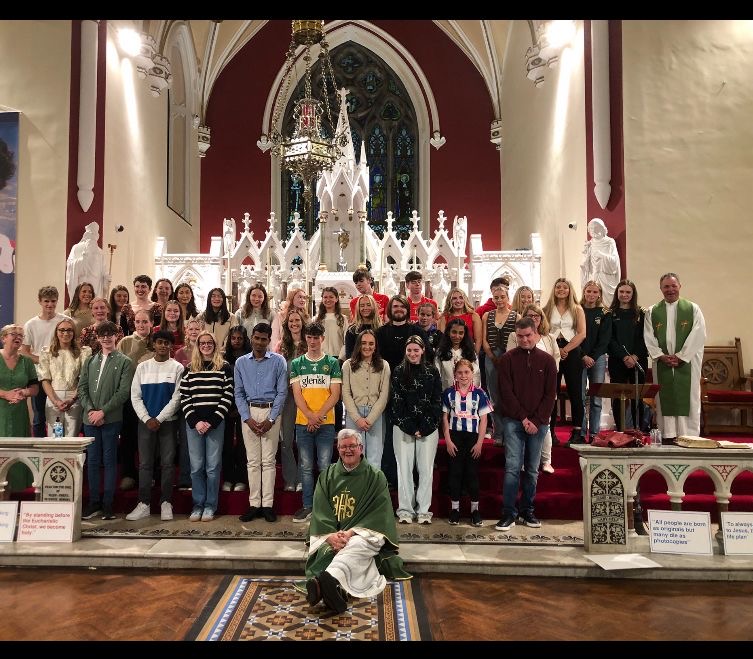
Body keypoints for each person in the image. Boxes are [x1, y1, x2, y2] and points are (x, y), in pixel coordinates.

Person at [301, 429, 411, 615]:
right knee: (352, 553)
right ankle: (332, 587)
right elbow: (320, 510)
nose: (348, 450)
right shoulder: (327, 476)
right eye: (343, 447)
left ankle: (325, 581)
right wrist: (330, 536)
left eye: (352, 446)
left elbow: (380, 515)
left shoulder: (375, 477)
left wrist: (351, 533)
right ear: (338, 449)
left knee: (358, 544)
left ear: (361, 448)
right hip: (334, 534)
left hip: (363, 533)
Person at [495, 317, 557, 532]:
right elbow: (505, 393)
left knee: (532, 469)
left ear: (536, 333)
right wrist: (523, 418)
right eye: (520, 336)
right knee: (512, 468)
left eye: (528, 335)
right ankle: (508, 513)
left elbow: (550, 395)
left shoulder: (547, 361)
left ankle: (527, 511)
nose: (524, 340)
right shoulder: (507, 359)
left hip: (538, 424)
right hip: (514, 421)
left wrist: (537, 421)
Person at [78, 321, 135, 520]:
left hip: (111, 419)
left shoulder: (125, 362)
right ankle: (94, 502)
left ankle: (108, 503)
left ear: (116, 336)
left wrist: (102, 412)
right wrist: (91, 410)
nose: (106, 338)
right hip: (90, 419)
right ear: (97, 337)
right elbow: (82, 388)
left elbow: (123, 392)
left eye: (110, 334)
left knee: (110, 461)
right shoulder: (90, 361)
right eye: (102, 335)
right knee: (93, 461)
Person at [126, 330, 184, 522]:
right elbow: (135, 396)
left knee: (167, 464)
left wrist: (159, 418)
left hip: (168, 422)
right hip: (146, 423)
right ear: (153, 344)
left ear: (171, 346)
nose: (163, 346)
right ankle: (144, 503)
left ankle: (166, 502)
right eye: (159, 342)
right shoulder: (142, 367)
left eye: (166, 343)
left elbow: (177, 398)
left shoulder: (177, 368)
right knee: (145, 464)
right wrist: (146, 418)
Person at [376, 295, 432, 488]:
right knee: (391, 436)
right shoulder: (380, 333)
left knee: (414, 436)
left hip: (415, 393)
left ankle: (414, 478)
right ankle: (391, 476)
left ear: (408, 309)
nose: (398, 309)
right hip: (389, 391)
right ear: (390, 309)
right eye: (395, 306)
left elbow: (427, 359)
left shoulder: (417, 331)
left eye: (402, 306)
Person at [234, 322, 288, 523]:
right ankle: (254, 504)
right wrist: (246, 418)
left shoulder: (278, 361)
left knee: (268, 461)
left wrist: (271, 419)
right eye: (256, 338)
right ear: (251, 338)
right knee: (253, 461)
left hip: (271, 411)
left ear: (269, 340)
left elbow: (282, 392)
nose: (259, 342)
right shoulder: (241, 363)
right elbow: (238, 392)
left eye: (263, 339)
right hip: (249, 412)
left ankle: (267, 505)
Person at [289, 321, 342, 523]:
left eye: (316, 338)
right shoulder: (297, 364)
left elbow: (335, 395)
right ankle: (307, 506)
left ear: (322, 339)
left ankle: (324, 506)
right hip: (303, 422)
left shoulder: (332, 363)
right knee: (305, 466)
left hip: (325, 423)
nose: (312, 341)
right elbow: (297, 395)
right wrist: (310, 416)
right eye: (309, 337)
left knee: (325, 466)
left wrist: (317, 416)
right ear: (305, 338)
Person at [644, 273, 706, 440]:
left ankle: (688, 434)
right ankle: (668, 433)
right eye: (666, 286)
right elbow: (648, 336)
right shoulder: (652, 311)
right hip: (662, 362)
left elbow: (699, 334)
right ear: (661, 288)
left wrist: (681, 356)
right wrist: (660, 355)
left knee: (689, 395)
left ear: (680, 286)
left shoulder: (692, 309)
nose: (670, 289)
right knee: (665, 395)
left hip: (687, 362)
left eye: (673, 286)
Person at [180, 330, 234, 522]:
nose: (205, 345)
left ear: (214, 344)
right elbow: (184, 396)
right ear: (198, 345)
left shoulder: (224, 367)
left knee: (212, 467)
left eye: (209, 342)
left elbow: (227, 395)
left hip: (215, 424)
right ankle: (197, 505)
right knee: (196, 467)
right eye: (202, 343)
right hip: (194, 425)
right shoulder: (189, 369)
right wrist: (196, 422)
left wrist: (212, 421)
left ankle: (210, 506)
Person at [391, 335, 442, 525]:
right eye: (409, 350)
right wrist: (411, 428)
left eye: (416, 350)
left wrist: (424, 427)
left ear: (423, 350)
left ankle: (423, 511)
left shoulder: (432, 371)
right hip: (403, 427)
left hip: (428, 428)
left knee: (426, 469)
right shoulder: (398, 371)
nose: (412, 354)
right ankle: (405, 510)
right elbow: (397, 402)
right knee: (404, 469)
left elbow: (437, 401)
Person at [509, 304, 561, 473]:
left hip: (544, 388)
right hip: (522, 389)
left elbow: (555, 359)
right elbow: (511, 358)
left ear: (541, 318)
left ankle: (546, 461)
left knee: (544, 424)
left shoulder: (549, 338)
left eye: (536, 316)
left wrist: (549, 376)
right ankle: (525, 461)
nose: (533, 318)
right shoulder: (514, 336)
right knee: (522, 427)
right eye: (529, 315)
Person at [442, 358, 492, 526]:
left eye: (466, 372)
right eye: (460, 373)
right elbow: (444, 418)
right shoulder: (449, 393)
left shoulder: (480, 393)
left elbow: (484, 420)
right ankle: (455, 509)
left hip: (473, 438)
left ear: (472, 373)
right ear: (455, 375)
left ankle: (475, 510)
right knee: (455, 473)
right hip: (455, 437)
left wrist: (479, 443)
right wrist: (448, 440)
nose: (463, 376)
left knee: (472, 474)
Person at [20, 285, 70, 436]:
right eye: (46, 301)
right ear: (40, 301)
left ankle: (60, 444)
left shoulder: (65, 321)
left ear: (57, 301)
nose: (50, 304)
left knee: (61, 413)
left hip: (62, 375)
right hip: (39, 375)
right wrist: (44, 361)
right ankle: (40, 447)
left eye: (53, 301)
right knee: (39, 416)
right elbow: (24, 352)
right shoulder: (31, 324)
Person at [543, 278, 587, 445]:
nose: (561, 289)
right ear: (554, 290)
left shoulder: (577, 309)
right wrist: (556, 349)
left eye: (565, 287)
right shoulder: (547, 309)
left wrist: (566, 349)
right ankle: (550, 432)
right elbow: (543, 330)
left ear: (570, 290)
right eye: (558, 287)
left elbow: (582, 333)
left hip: (572, 350)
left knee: (575, 391)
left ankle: (577, 432)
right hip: (551, 350)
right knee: (551, 392)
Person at [116, 308, 155, 490]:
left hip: (150, 397)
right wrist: (135, 351)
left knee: (150, 439)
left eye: (145, 321)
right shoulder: (125, 342)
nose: (141, 325)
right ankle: (129, 474)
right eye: (138, 322)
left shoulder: (155, 342)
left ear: (151, 323)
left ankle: (150, 474)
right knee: (129, 437)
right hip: (130, 397)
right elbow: (119, 367)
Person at [342, 329, 390, 470]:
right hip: (354, 414)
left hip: (375, 415)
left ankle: (372, 484)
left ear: (375, 346)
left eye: (371, 343)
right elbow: (345, 393)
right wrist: (357, 418)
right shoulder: (348, 365)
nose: (367, 347)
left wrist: (370, 419)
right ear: (358, 345)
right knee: (354, 457)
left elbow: (384, 395)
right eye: (363, 343)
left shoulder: (384, 365)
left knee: (375, 459)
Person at [0, 324, 39, 491]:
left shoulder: (27, 362)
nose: (18, 337)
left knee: (15, 455)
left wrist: (24, 392)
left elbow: (35, 388)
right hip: (1, 414)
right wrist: (5, 394)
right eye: (13, 334)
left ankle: (8, 500)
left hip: (19, 416)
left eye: (21, 335)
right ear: (3, 338)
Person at [38, 318, 91, 437]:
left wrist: (73, 399)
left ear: (74, 332)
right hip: (53, 396)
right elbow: (45, 380)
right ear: (56, 332)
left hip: (74, 397)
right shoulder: (47, 352)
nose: (65, 333)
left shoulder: (83, 352)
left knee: (72, 437)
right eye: (62, 330)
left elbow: (83, 379)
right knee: (54, 437)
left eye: (69, 330)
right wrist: (56, 401)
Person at [608, 279, 649, 431]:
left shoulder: (641, 313)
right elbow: (609, 338)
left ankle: (638, 430)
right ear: (617, 293)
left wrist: (635, 356)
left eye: (628, 292)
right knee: (618, 397)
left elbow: (646, 337)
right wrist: (624, 356)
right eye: (622, 291)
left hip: (638, 360)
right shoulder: (610, 314)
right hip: (618, 361)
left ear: (633, 294)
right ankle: (620, 430)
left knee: (637, 397)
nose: (624, 295)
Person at [481, 284, 519, 444]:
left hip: (510, 357)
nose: (499, 300)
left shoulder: (516, 316)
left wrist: (506, 358)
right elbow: (484, 340)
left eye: (502, 297)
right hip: (491, 358)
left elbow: (517, 340)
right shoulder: (487, 316)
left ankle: (509, 433)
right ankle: (498, 432)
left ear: (508, 298)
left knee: (509, 394)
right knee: (494, 396)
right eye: (496, 297)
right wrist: (492, 357)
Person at [274, 308, 306, 492]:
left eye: (297, 320)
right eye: (291, 321)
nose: (294, 324)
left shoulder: (309, 343)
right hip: (286, 397)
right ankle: (290, 479)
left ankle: (302, 478)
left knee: (302, 440)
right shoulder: (281, 346)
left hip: (305, 397)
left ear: (302, 322)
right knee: (286, 440)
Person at [579, 280, 612, 441]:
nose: (591, 294)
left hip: (597, 358)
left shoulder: (605, 313)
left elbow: (605, 339)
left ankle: (594, 433)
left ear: (599, 294)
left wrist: (592, 356)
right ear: (584, 292)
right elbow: (573, 334)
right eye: (589, 291)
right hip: (579, 357)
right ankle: (580, 432)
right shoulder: (577, 309)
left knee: (596, 397)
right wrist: (583, 355)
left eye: (594, 292)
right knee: (580, 396)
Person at [220, 326, 251, 493]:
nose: (237, 341)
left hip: (244, 407)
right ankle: (228, 478)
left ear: (245, 339)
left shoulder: (250, 357)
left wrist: (241, 407)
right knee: (226, 445)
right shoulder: (222, 359)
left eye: (240, 338)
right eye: (233, 338)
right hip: (225, 406)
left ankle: (241, 479)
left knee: (242, 445)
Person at [580, 218, 621, 306]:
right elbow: (585, 264)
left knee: (608, 305)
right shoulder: (590, 243)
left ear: (602, 229)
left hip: (606, 277)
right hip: (593, 277)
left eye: (596, 228)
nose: (593, 230)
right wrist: (585, 257)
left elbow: (614, 262)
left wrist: (601, 255)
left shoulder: (609, 242)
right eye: (591, 228)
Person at [66, 221, 109, 299]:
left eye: (95, 234)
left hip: (96, 286)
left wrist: (106, 278)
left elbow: (104, 272)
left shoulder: (100, 252)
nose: (93, 237)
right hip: (81, 283)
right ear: (86, 235)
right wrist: (81, 262)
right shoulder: (76, 248)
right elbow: (70, 265)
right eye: (91, 234)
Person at [435, 318, 480, 391]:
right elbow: (437, 375)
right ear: (448, 332)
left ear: (464, 334)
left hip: (467, 393)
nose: (457, 336)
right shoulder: (441, 352)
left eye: (461, 333)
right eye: (454, 332)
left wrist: (471, 392)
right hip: (446, 392)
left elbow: (476, 374)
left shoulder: (470, 352)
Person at [438, 288, 482, 354]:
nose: (458, 301)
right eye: (454, 298)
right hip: (449, 352)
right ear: (449, 301)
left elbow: (478, 340)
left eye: (461, 298)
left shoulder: (474, 316)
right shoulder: (444, 317)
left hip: (469, 352)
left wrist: (474, 356)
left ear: (465, 299)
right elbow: (442, 339)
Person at [344, 294, 381, 359]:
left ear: (374, 307)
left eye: (368, 305)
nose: (365, 308)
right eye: (362, 305)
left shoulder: (381, 329)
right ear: (358, 308)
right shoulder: (352, 330)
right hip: (356, 364)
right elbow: (349, 355)